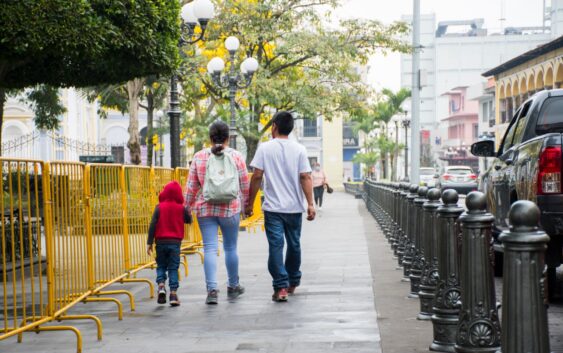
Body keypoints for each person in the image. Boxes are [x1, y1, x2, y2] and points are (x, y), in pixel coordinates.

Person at [246, 111, 315, 302]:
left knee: (276, 246)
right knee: (294, 244)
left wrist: (249, 203)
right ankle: (292, 281)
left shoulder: (265, 148)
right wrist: (310, 204)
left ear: (274, 126)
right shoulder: (300, 149)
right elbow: (305, 176)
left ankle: (281, 286)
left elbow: (257, 176)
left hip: (273, 209)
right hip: (294, 208)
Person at [186, 120, 249, 305]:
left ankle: (212, 290)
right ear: (228, 137)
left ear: (210, 137)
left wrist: (187, 207)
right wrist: (246, 205)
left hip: (205, 209)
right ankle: (233, 285)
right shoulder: (236, 156)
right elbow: (244, 184)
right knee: (230, 247)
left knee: (210, 248)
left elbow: (191, 187)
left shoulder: (199, 156)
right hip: (230, 208)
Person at [147, 181, 193, 307]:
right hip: (175, 243)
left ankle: (161, 286)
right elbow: (189, 220)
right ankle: (173, 294)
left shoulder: (159, 207)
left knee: (161, 265)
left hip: (160, 242)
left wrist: (149, 242)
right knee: (173, 268)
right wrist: (187, 211)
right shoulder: (181, 208)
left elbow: (153, 225)